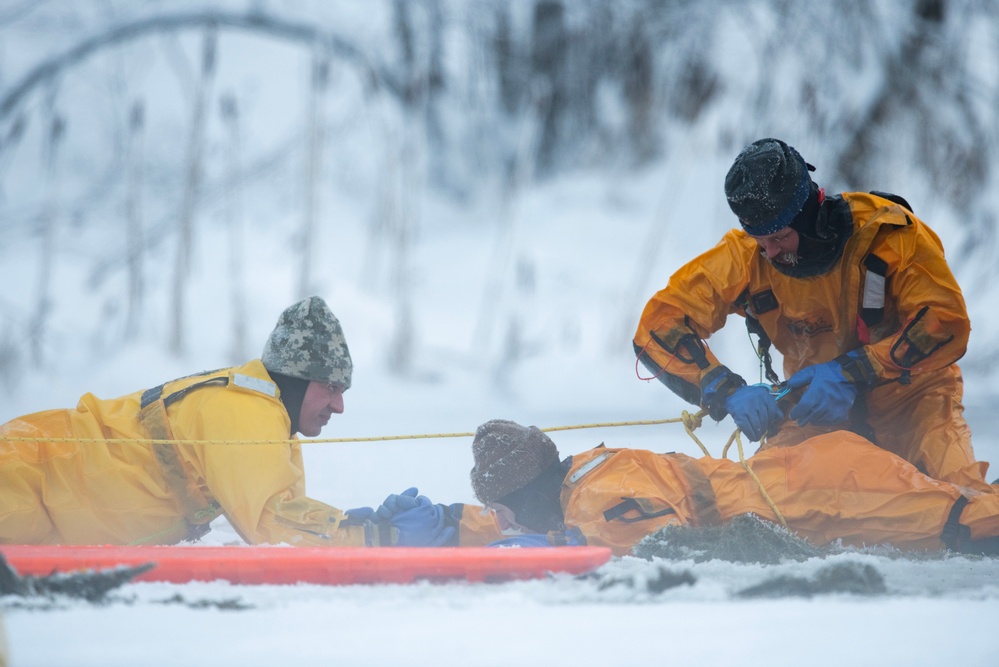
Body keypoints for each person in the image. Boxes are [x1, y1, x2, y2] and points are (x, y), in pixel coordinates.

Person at [633, 137, 993, 492]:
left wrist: (852, 371)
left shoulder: (887, 235)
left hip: (913, 401)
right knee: (764, 500)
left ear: (809, 216)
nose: (770, 253)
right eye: (760, 241)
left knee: (965, 503)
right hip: (813, 410)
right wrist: (724, 388)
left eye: (781, 237)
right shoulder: (747, 257)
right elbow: (660, 325)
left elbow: (944, 321)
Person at [0, 296, 483, 548]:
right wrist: (378, 538)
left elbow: (287, 514)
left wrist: (364, 522)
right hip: (28, 477)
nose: (339, 407)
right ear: (295, 378)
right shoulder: (244, 411)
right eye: (331, 388)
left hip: (41, 489)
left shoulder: (270, 415)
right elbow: (271, 526)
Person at [463, 419, 999, 557]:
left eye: (501, 513)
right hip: (807, 477)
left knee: (971, 524)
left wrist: (554, 549)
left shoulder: (597, 502)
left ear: (525, 496)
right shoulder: (580, 475)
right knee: (971, 505)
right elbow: (554, 525)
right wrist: (449, 521)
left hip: (828, 494)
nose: (501, 524)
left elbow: (648, 537)